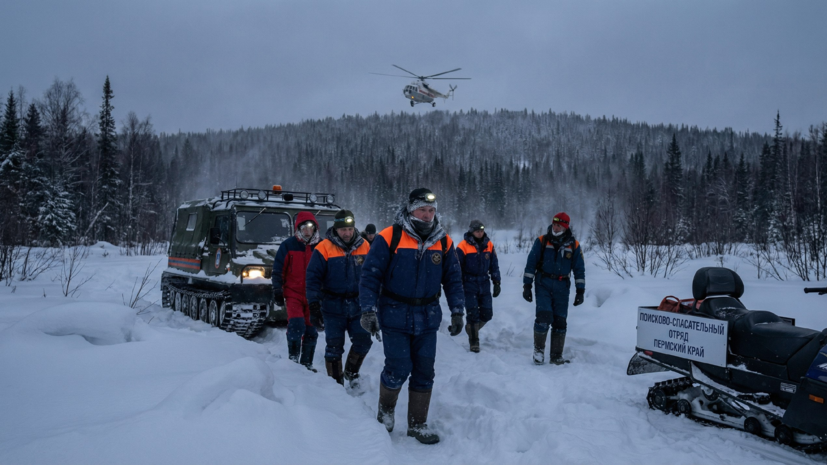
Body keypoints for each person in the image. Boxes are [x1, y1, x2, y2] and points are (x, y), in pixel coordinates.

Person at [359, 188, 464, 445]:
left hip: (428, 317)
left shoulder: (444, 241)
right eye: (422, 210)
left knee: (425, 371)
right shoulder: (389, 237)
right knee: (398, 367)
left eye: (431, 210)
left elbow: (453, 279)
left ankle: (418, 424)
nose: (427, 215)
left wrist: (458, 310)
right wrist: (367, 309)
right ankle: (385, 412)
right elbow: (370, 275)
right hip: (395, 313)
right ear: (410, 210)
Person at [306, 210, 373, 389]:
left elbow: (373, 275)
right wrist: (313, 305)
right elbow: (312, 278)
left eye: (350, 229)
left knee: (364, 341)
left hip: (358, 304)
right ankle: (335, 383)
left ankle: (351, 372)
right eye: (343, 229)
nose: (347, 233)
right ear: (336, 229)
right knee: (334, 346)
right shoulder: (324, 247)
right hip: (332, 305)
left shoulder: (365, 245)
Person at [522, 212, 585, 365]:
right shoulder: (542, 241)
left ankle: (556, 356)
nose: (555, 227)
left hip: (562, 287)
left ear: (565, 226)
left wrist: (580, 290)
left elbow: (579, 269)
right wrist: (527, 285)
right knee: (543, 317)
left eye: (559, 225)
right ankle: (538, 351)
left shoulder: (574, 245)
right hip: (543, 283)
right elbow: (531, 264)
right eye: (554, 224)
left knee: (560, 321)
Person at [272, 211, 323, 371]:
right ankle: (293, 360)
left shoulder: (322, 246)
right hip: (293, 292)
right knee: (296, 324)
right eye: (304, 227)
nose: (308, 230)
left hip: (314, 295)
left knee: (311, 328)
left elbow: (329, 270)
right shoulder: (288, 245)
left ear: (315, 228)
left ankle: (307, 363)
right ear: (298, 228)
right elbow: (278, 269)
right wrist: (277, 289)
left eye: (311, 227)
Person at [456, 220, 501, 353]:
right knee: (472, 313)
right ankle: (474, 341)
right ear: (471, 231)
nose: (480, 233)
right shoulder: (462, 246)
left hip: (484, 282)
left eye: (481, 230)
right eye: (477, 231)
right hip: (469, 283)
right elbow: (457, 267)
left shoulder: (489, 245)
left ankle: (471, 328)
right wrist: (458, 284)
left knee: (487, 314)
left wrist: (497, 282)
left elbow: (494, 265)